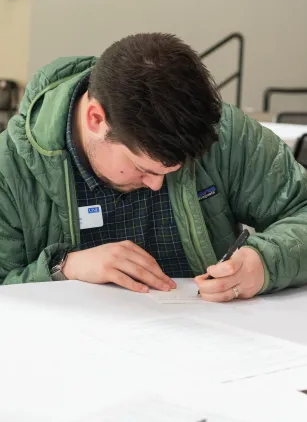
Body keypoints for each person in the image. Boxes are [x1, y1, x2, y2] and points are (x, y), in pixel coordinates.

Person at [1, 33, 307, 302]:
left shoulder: (224, 134)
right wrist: (62, 269)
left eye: (173, 170)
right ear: (95, 119)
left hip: (207, 345)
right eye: (142, 168)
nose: (157, 184)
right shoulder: (9, 169)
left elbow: (301, 208)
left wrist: (265, 262)